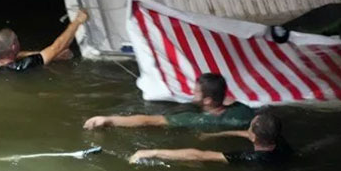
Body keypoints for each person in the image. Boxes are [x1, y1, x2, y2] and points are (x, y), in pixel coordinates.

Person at [83, 73, 254, 131]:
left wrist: (108, 119)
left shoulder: (194, 119)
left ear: (208, 100)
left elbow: (148, 120)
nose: (192, 94)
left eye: (196, 93)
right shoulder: (243, 111)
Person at [127, 112, 291, 165]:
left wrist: (152, 152)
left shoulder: (248, 157)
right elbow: (246, 134)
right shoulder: (278, 141)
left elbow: (199, 155)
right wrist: (214, 134)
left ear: (254, 137)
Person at [0, 9, 89, 72]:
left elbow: (16, 55)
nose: (19, 40)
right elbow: (57, 47)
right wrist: (77, 21)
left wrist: (43, 54)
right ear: (13, 46)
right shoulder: (23, 66)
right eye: (16, 40)